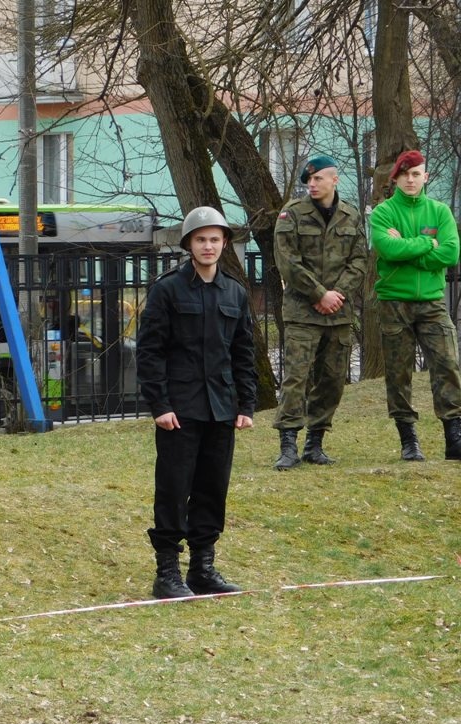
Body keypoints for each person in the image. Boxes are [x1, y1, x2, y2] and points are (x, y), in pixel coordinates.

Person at [136, 206, 257, 599]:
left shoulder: (235, 292)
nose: (208, 246)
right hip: (179, 409)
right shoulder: (167, 289)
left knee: (212, 489)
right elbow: (150, 352)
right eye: (201, 239)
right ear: (188, 244)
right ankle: (167, 573)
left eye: (215, 239)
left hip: (221, 408)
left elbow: (243, 352)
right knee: (173, 489)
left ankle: (202, 569)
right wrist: (159, 405)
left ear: (225, 244)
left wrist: (246, 405)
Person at [272, 155, 368, 469]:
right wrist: (319, 294)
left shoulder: (351, 215)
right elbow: (287, 261)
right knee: (296, 377)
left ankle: (315, 442)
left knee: (333, 379)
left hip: (338, 313)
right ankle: (288, 444)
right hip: (302, 311)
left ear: (334, 180)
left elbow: (359, 260)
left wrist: (336, 294)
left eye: (318, 179)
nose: (312, 185)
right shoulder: (292, 214)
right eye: (309, 181)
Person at [371, 149, 461, 461]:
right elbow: (388, 249)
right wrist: (427, 243)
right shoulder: (383, 213)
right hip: (394, 302)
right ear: (395, 179)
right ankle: (409, 440)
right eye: (404, 175)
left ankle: (454, 437)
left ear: (426, 177)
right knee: (398, 373)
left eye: (416, 174)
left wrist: (408, 250)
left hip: (433, 302)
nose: (410, 180)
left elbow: (450, 253)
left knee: (447, 364)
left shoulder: (440, 212)